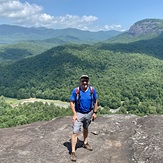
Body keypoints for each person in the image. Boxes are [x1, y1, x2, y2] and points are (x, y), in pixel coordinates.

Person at [70, 75, 98, 162]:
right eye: (83, 81)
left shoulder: (92, 90)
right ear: (80, 82)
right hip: (79, 113)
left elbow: (95, 101)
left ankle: (85, 143)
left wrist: (94, 112)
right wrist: (74, 114)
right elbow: (71, 102)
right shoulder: (76, 90)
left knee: (86, 127)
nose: (84, 82)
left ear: (88, 82)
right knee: (75, 132)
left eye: (86, 81)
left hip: (89, 113)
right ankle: (73, 152)